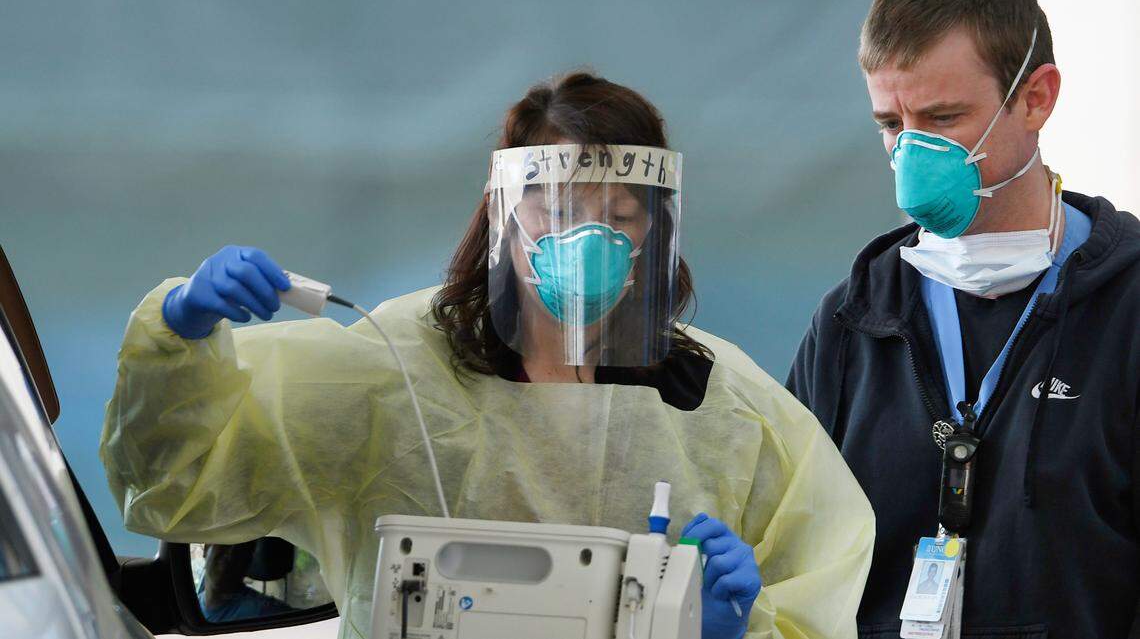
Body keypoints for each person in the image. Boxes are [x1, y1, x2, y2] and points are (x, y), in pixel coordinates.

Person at [101, 72, 874, 639]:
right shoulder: (395, 368)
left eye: (622, 213)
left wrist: (736, 628)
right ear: (505, 210)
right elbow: (177, 489)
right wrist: (182, 333)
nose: (592, 234)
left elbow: (823, 588)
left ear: (654, 233)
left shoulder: (716, 401)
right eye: (559, 204)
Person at [786, 0, 1140, 637]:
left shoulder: (1128, 306)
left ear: (1037, 99)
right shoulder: (854, 320)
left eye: (943, 119)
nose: (911, 157)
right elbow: (796, 564)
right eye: (892, 125)